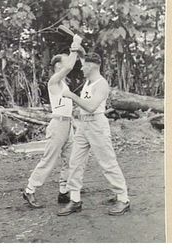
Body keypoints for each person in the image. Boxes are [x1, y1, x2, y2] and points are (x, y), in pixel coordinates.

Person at [57, 52, 130, 216]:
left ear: (91, 67)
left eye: (84, 65)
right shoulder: (89, 79)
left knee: (107, 162)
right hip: (83, 125)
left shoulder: (101, 84)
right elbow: (84, 55)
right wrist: (76, 44)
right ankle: (75, 200)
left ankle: (123, 198)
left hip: (97, 124)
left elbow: (91, 106)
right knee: (74, 162)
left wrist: (71, 95)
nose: (81, 67)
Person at [22, 35, 83, 208]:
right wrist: (75, 45)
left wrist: (73, 123)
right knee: (49, 159)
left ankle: (63, 191)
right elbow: (71, 64)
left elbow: (67, 106)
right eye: (64, 63)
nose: (68, 66)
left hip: (67, 124)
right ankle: (29, 189)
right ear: (58, 66)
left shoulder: (64, 84)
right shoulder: (54, 81)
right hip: (57, 125)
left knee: (70, 159)